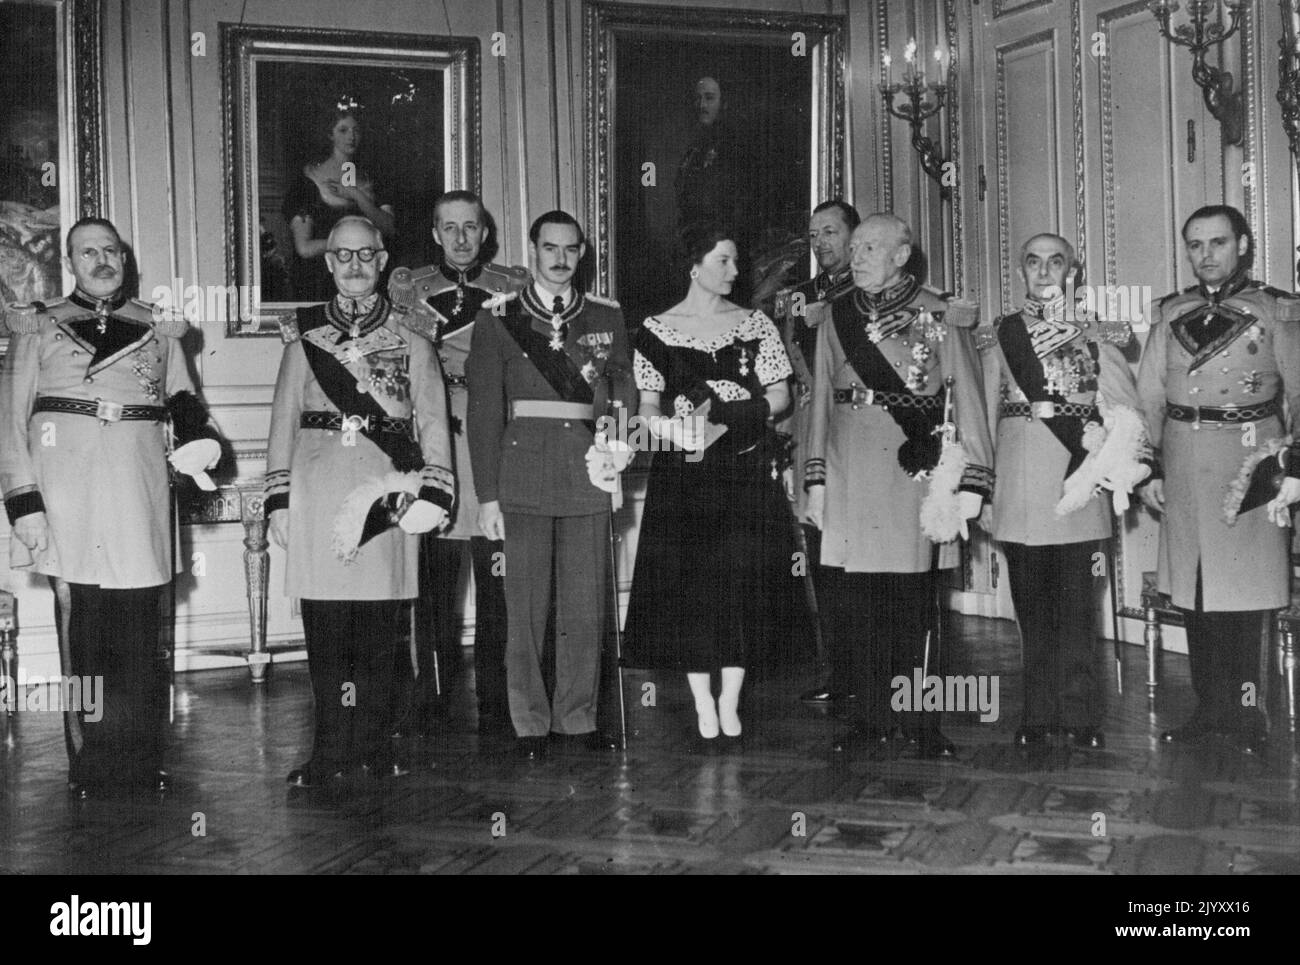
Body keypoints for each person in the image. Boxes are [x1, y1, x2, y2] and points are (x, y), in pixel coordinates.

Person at [0, 216, 221, 798]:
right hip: (67, 496)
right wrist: (24, 504)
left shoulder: (157, 328)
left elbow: (186, 405)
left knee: (140, 637)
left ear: (125, 257)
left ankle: (142, 759)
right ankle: (91, 763)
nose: (102, 260)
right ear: (69, 264)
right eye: (87, 252)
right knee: (85, 636)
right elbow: (10, 423)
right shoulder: (38, 325)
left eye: (111, 250)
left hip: (138, 492)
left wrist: (201, 450)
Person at [265, 215, 454, 786]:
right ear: (327, 263)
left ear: (381, 259)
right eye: (342, 256)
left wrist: (436, 491)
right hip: (318, 495)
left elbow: (433, 424)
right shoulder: (304, 340)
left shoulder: (413, 340)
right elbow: (282, 424)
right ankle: (328, 753)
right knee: (324, 634)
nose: (353, 267)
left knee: (378, 633)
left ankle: (372, 746)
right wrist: (278, 500)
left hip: (387, 496)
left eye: (365, 256)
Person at [805, 213, 993, 759]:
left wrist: (972, 482)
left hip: (915, 477)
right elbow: (819, 402)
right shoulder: (835, 316)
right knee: (857, 606)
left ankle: (921, 722)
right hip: (850, 473)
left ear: (901, 256)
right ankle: (867, 719)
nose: (855, 256)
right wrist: (816, 480)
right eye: (855, 247)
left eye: (869, 247)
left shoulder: (940, 313)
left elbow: (969, 402)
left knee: (914, 608)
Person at [622, 222, 808, 748]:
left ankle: (731, 700)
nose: (733, 271)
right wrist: (670, 429)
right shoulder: (656, 331)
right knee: (693, 591)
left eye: (734, 262)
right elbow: (648, 407)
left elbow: (780, 396)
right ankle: (703, 701)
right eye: (723, 261)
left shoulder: (755, 325)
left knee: (739, 586)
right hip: (685, 476)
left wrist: (736, 415)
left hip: (742, 469)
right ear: (694, 265)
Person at [466, 210, 636, 760]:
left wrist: (617, 448)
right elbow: (485, 412)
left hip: (587, 469)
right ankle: (529, 723)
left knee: (586, 605)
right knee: (525, 607)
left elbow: (623, 390)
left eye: (570, 249)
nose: (560, 259)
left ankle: (578, 717)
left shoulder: (606, 317)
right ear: (532, 251)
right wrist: (487, 494)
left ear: (581, 253)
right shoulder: (498, 318)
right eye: (549, 248)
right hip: (524, 473)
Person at [1137, 204, 1300, 756]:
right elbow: (1150, 395)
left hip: (1249, 458)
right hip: (1183, 457)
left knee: (1246, 593)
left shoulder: (1277, 308)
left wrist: (1294, 467)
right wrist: (1148, 467)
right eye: (1195, 245)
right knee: (1195, 593)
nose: (1206, 256)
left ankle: (1248, 712)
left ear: (1244, 244)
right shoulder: (1170, 311)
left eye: (1218, 243)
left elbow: (1299, 394)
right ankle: (1209, 710)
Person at [979, 233, 1148, 751]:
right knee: (1031, 609)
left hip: (1079, 484)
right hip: (1021, 487)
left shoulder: (1099, 337)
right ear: (1022, 271)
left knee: (1077, 608)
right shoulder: (1000, 337)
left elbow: (1125, 416)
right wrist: (981, 489)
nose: (1045, 271)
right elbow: (981, 419)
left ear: (1072, 272)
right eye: (1034, 262)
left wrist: (1114, 467)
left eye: (1056, 263)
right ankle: (1037, 713)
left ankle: (1079, 715)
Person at [388, 190, 528, 736]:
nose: (461, 238)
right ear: (434, 233)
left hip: (494, 442)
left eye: (471, 227)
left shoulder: (509, 289)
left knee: (499, 584)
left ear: (485, 232)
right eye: (450, 228)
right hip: (437, 441)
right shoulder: (410, 289)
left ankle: (498, 697)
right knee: (435, 587)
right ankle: (434, 695)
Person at [773, 199, 859, 705]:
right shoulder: (795, 299)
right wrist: (787, 450)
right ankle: (839, 671)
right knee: (820, 553)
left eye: (830, 231)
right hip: (810, 433)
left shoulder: (870, 295)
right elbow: (785, 376)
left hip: (854, 432)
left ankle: (873, 669)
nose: (821, 243)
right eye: (814, 235)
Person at [282, 109, 395, 302]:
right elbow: (304, 248)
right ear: (330, 135)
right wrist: (355, 247)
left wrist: (355, 194)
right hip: (321, 281)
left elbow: (389, 229)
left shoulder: (371, 179)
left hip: (368, 279)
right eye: (343, 130)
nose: (351, 136)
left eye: (356, 130)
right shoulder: (308, 182)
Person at [675, 77, 751, 245]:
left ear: (723, 103)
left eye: (709, 98)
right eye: (698, 98)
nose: (702, 105)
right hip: (695, 242)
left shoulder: (735, 146)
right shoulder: (695, 148)